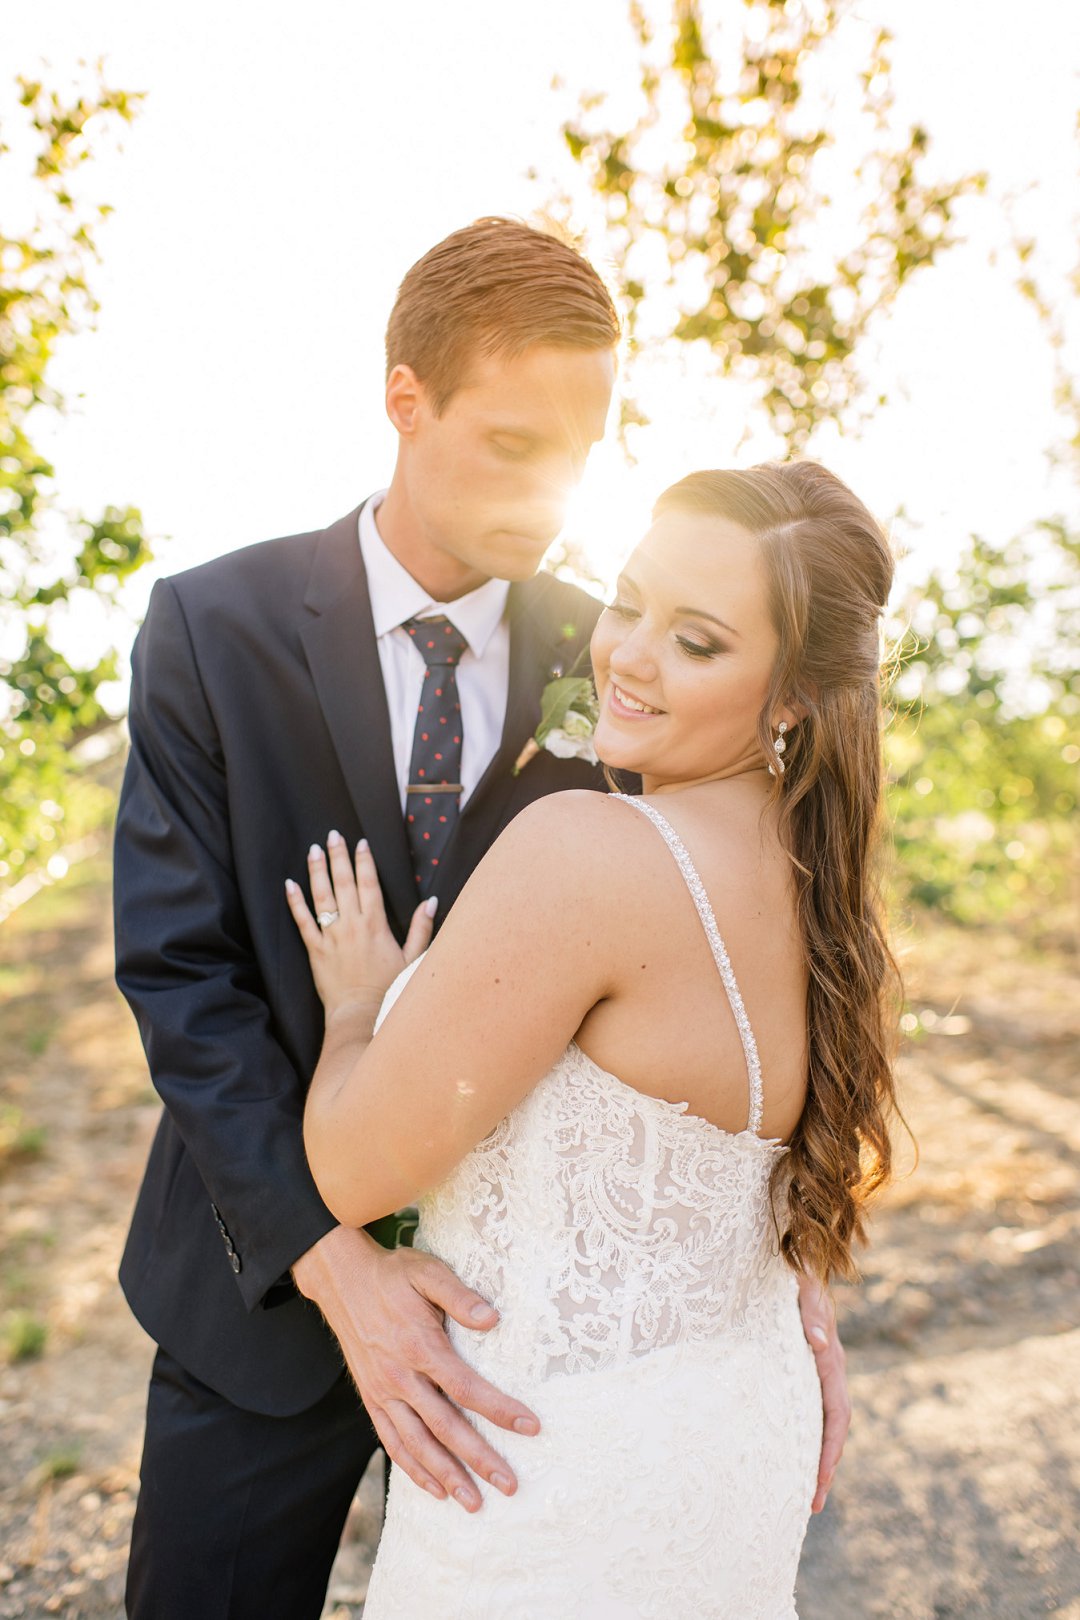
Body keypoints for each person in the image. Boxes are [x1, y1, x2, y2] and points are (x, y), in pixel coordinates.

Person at [113, 219, 848, 1620]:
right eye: (515, 442)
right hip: (258, 1291)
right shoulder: (215, 627)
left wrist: (773, 1260)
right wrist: (335, 1266)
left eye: (584, 446)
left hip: (531, 1348)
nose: (560, 488)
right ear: (408, 400)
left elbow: (732, 953)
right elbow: (182, 980)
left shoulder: (627, 645)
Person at [291, 460, 899, 1618]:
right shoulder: (828, 901)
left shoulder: (588, 851)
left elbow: (350, 1169)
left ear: (795, 697)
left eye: (699, 641)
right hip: (731, 1449)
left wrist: (357, 1012)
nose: (626, 653)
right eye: (630, 602)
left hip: (546, 1484)